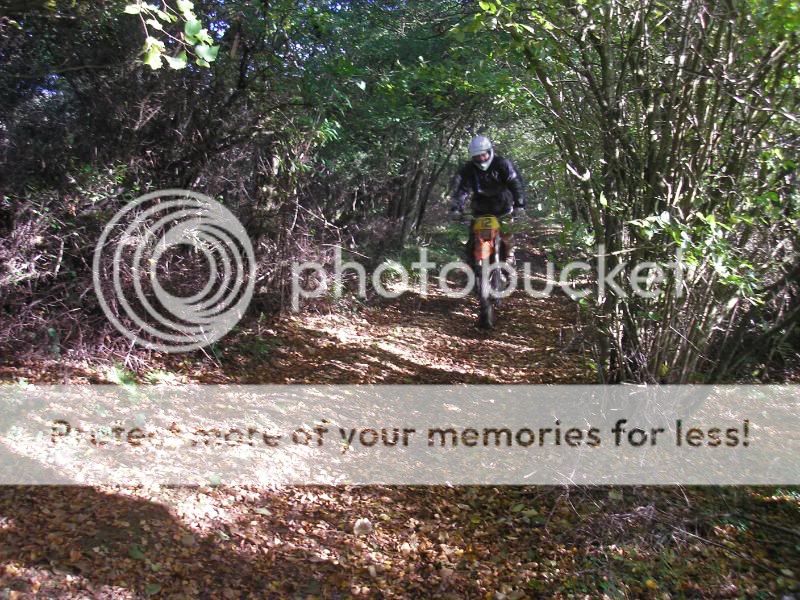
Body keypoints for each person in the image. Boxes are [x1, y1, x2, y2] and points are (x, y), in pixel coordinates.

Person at [449, 135, 525, 265]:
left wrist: (520, 205)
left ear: (490, 152)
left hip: (503, 207)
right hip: (480, 209)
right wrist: (456, 208)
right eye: (477, 157)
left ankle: (510, 256)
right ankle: (472, 265)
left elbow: (515, 183)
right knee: (473, 238)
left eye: (483, 155)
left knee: (507, 234)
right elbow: (461, 189)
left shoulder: (502, 164)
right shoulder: (468, 169)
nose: (481, 159)